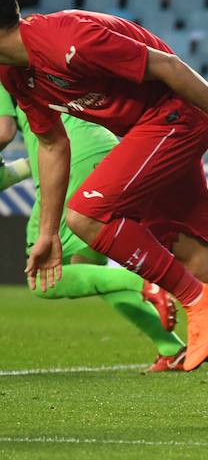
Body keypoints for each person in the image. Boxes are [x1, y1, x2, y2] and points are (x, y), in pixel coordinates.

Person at [0, 0, 208, 425]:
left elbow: (169, 67)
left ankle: (196, 299)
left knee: (87, 216)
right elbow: (53, 143)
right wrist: (47, 234)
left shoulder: (66, 39)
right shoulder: (15, 73)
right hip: (148, 131)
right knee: (194, 256)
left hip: (176, 119)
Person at [0, 83, 185, 372]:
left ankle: (145, 282)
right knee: (90, 266)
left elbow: (3, 132)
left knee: (45, 279)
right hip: (102, 146)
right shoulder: (34, 53)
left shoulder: (3, 65)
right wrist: (25, 165)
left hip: (69, 159)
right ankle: (171, 348)